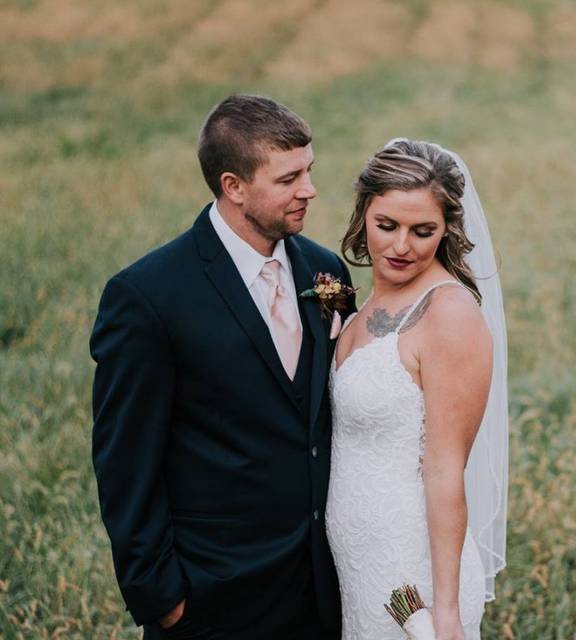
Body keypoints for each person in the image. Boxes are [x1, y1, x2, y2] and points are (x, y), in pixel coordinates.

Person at [90, 94, 354, 639]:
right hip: (213, 599)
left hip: (324, 589)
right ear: (233, 186)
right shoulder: (147, 296)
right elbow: (124, 462)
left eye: (309, 171)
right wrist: (160, 596)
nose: (310, 190)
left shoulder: (326, 270)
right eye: (288, 179)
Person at [325, 139, 508, 640]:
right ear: (364, 214)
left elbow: (447, 468)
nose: (401, 246)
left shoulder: (450, 315)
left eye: (422, 231)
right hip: (357, 569)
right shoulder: (363, 305)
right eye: (387, 226)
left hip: (412, 579)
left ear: (447, 228)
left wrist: (444, 612)